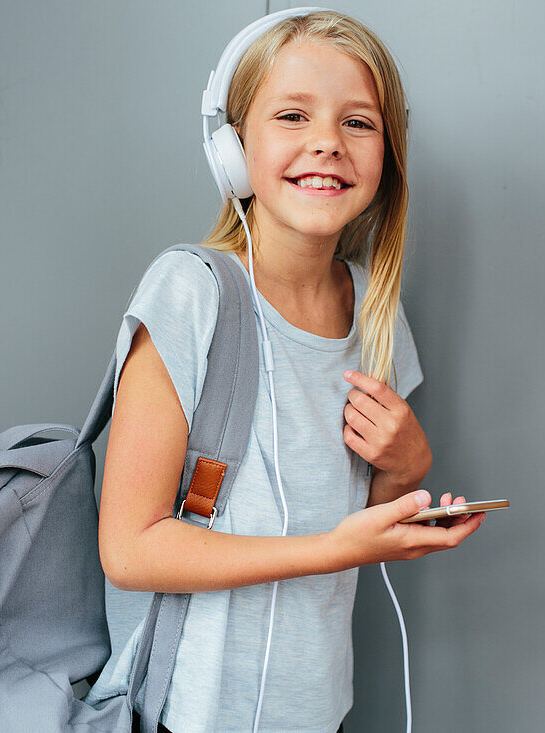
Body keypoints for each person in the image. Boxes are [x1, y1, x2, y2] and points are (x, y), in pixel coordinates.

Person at [88, 9, 486, 733]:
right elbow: (129, 545)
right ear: (234, 148)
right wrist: (332, 550)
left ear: (388, 153)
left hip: (318, 711)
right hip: (190, 716)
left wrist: (409, 463)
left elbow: (370, 514)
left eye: (358, 123)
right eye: (293, 115)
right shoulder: (191, 293)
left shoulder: (378, 312)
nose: (327, 143)